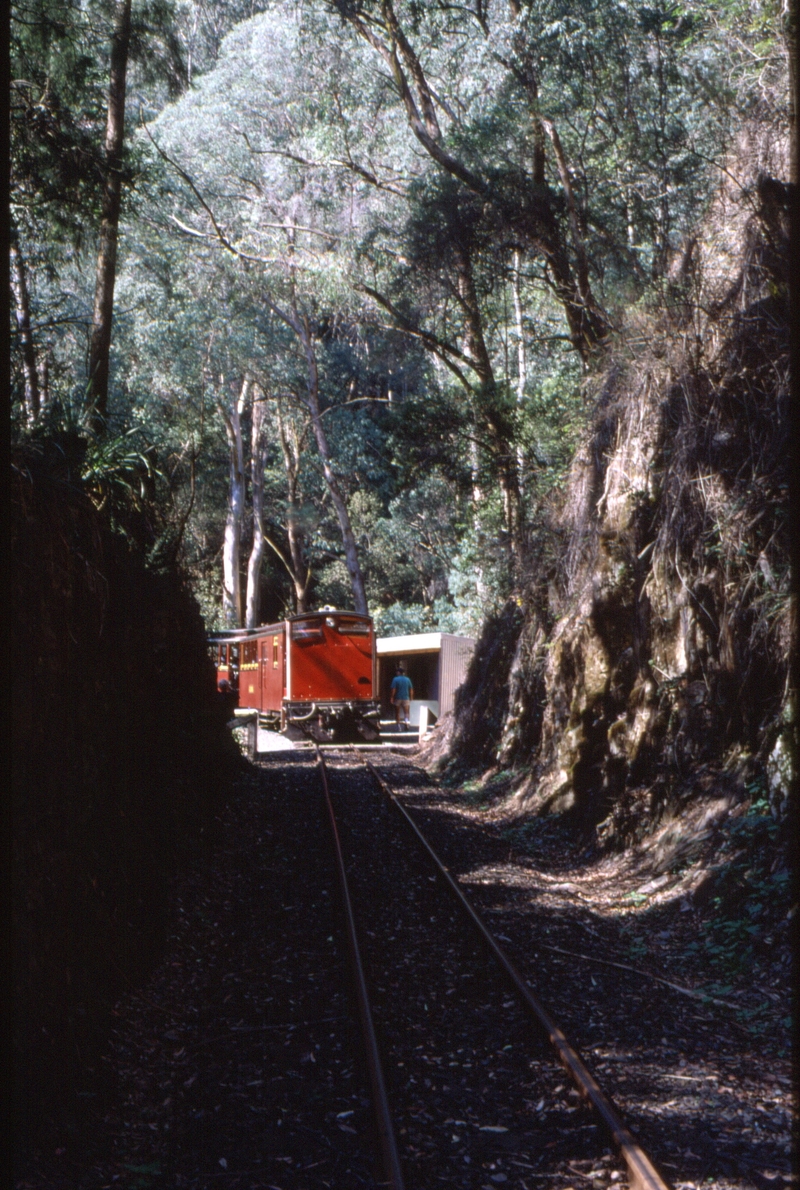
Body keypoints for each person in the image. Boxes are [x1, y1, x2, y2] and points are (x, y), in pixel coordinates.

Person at [390, 663, 414, 732]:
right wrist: (411, 697)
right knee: (406, 712)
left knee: (397, 712)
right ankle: (406, 723)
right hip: (406, 698)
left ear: (398, 672)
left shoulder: (395, 679)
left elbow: (393, 689)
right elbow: (411, 689)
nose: (396, 673)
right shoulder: (408, 679)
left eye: (397, 672)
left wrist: (392, 697)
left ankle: (398, 726)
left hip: (398, 698)